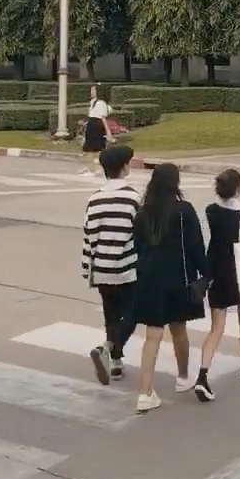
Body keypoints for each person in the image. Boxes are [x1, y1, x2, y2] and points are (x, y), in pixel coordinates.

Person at [127, 162, 207, 413]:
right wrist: (207, 274)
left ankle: (145, 392)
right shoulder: (183, 210)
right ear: (175, 183)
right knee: (179, 330)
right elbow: (196, 246)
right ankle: (183, 377)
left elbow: (137, 246)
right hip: (178, 278)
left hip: (149, 278)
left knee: (152, 335)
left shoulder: (143, 212)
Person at [195, 168, 240, 400]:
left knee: (216, 328)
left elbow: (205, 241)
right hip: (239, 275)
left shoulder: (210, 211)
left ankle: (202, 375)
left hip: (216, 274)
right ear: (238, 188)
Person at [83, 146, 141, 386]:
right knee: (133, 312)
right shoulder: (133, 198)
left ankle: (115, 362)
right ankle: (109, 349)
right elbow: (140, 233)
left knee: (111, 315)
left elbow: (89, 237)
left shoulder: (94, 199)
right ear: (124, 167)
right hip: (127, 268)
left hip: (102, 269)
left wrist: (87, 268)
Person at [79, 85, 112, 175]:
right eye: (91, 90)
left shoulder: (101, 103)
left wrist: (108, 131)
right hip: (91, 124)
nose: (92, 92)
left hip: (97, 125)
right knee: (87, 148)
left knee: (96, 149)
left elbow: (103, 118)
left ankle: (95, 169)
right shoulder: (92, 102)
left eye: (93, 90)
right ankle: (88, 168)